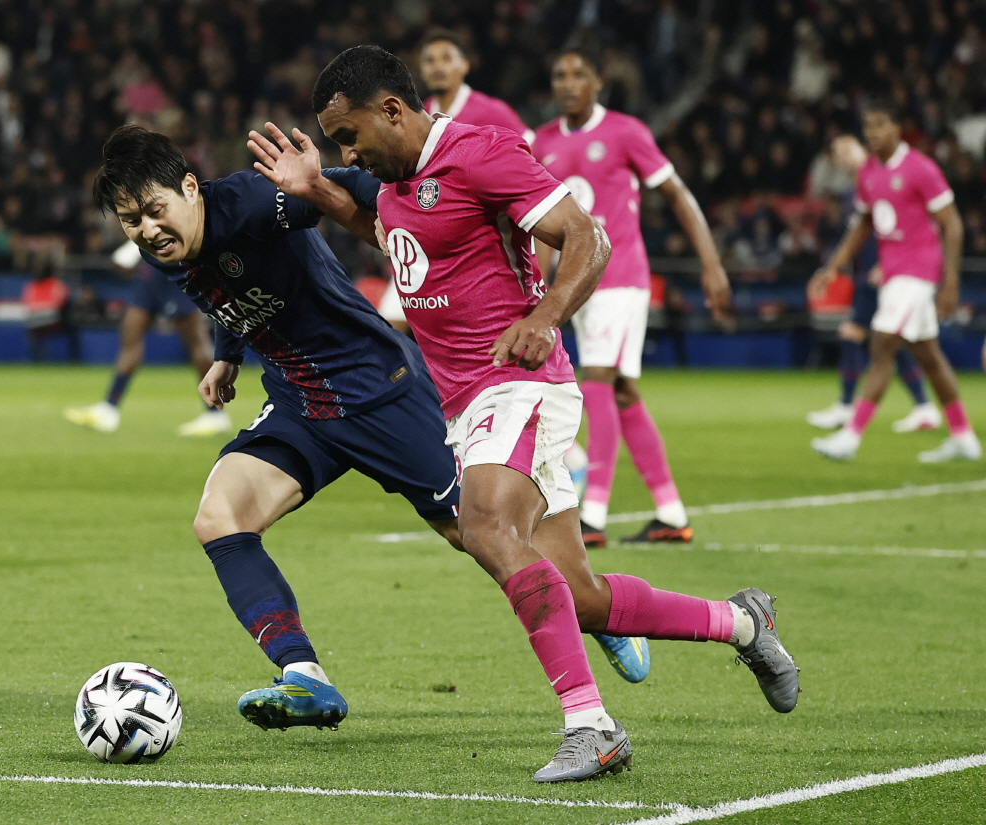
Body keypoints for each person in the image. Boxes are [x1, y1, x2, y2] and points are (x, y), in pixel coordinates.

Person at [253, 44, 798, 783]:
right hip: (465, 401)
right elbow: (387, 230)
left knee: (484, 527)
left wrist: (544, 316)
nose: (348, 154)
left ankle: (590, 725)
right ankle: (742, 623)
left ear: (392, 109)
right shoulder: (397, 183)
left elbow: (587, 235)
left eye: (350, 137)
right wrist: (316, 187)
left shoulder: (480, 154)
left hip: (519, 382)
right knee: (582, 597)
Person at [92, 123, 471, 739]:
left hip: (378, 388)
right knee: (220, 517)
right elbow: (226, 287)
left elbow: (349, 186)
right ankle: (305, 675)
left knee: (477, 535)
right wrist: (227, 356)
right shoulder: (168, 250)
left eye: (155, 210)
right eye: (131, 220)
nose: (147, 230)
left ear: (189, 187)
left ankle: (592, 602)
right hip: (303, 402)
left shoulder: (248, 200)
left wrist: (403, 227)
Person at [531, 49, 732, 546]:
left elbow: (678, 194)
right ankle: (671, 513)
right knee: (621, 392)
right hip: (575, 284)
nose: (568, 83)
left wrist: (711, 264)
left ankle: (593, 516)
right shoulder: (543, 141)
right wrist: (538, 283)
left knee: (597, 380)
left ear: (599, 81)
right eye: (559, 75)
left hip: (619, 275)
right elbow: (539, 222)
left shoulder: (626, 132)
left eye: (579, 74)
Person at [810, 103, 979, 463]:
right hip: (892, 272)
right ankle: (963, 435)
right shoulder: (869, 172)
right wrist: (833, 266)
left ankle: (850, 437)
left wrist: (950, 281)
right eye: (868, 127)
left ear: (897, 129)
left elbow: (952, 224)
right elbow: (862, 223)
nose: (873, 134)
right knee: (929, 356)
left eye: (880, 125)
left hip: (918, 271)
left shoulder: (921, 168)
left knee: (882, 343)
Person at [375, 29, 538, 335]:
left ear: (465, 65)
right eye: (430, 60)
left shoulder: (491, 111)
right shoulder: (417, 114)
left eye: (446, 58)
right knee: (390, 332)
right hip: (420, 241)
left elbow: (532, 158)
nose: (438, 66)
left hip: (476, 244)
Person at [805, 136, 939, 433]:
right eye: (836, 153)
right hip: (868, 275)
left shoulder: (882, 182)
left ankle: (847, 408)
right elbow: (856, 236)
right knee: (892, 342)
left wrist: (884, 264)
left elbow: (896, 226)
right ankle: (923, 407)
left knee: (857, 334)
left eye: (846, 149)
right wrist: (832, 268)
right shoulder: (851, 193)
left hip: (887, 274)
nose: (842, 156)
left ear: (862, 149)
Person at [63, 240, 230, 436]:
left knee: (196, 342)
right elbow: (121, 262)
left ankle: (215, 414)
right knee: (130, 333)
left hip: (177, 271)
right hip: (151, 273)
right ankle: (109, 409)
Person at [21, 261, 78, 362]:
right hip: (41, 321)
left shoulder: (55, 284)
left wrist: (42, 308)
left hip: (49, 320)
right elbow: (29, 303)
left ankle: (70, 359)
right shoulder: (34, 285)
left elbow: (59, 302)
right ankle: (37, 360)